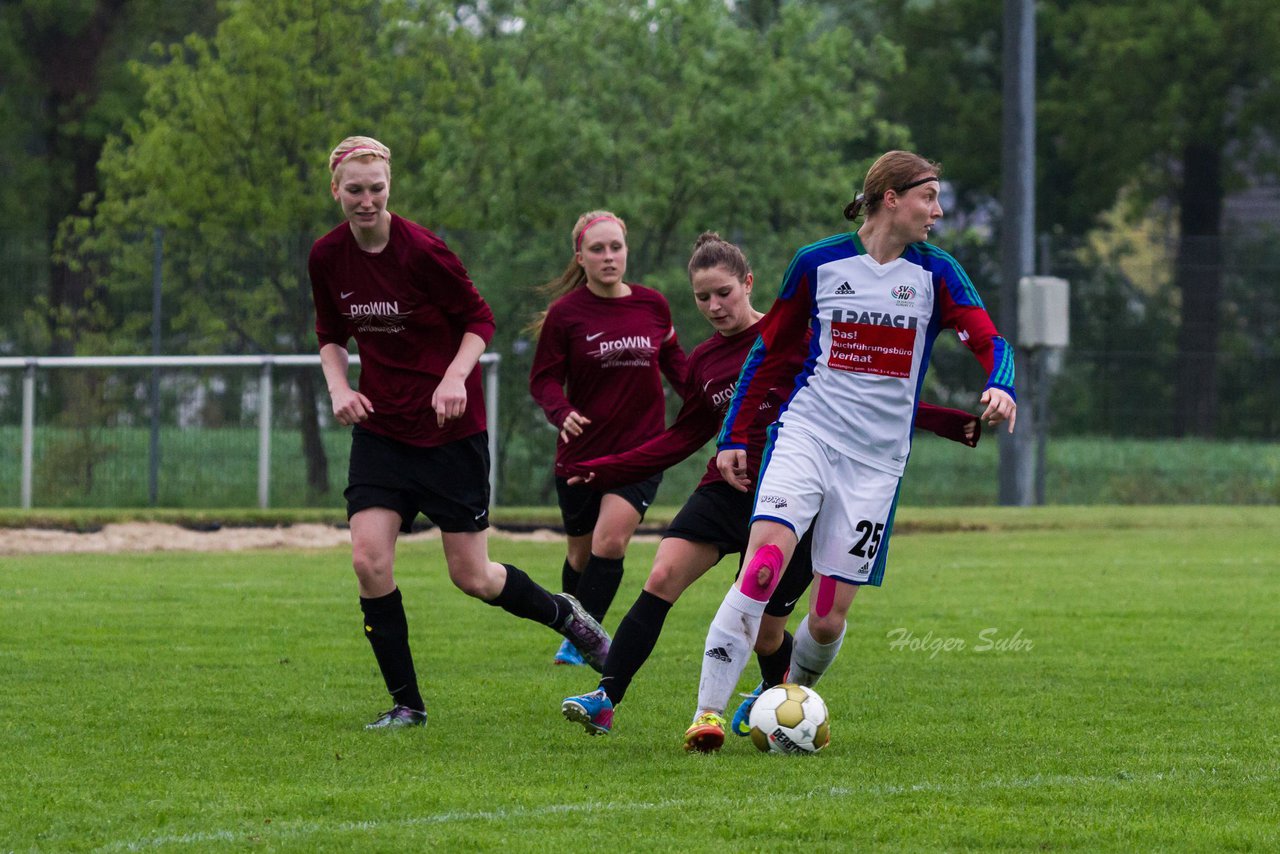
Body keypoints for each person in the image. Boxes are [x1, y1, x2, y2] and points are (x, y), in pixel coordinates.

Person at [558, 232, 981, 736]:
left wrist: (946, 421)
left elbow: (870, 399)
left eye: (724, 293)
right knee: (661, 576)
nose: (714, 306)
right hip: (726, 490)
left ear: (749, 284)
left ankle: (781, 702)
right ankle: (607, 697)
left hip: (796, 492)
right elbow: (682, 438)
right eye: (702, 297)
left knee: (765, 633)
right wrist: (608, 470)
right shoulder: (705, 363)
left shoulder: (799, 339)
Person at [683, 151, 1017, 752]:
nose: (938, 211)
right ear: (891, 197)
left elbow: (989, 336)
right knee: (761, 568)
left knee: (829, 616)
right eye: (929, 196)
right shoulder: (818, 262)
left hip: (877, 464)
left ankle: (784, 700)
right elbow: (771, 353)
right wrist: (734, 435)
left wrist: (1000, 380)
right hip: (808, 435)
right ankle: (707, 713)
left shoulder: (936, 273)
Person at [308, 135, 610, 730]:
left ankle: (563, 613)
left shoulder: (423, 251)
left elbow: (480, 319)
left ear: (388, 187)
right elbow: (330, 335)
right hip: (383, 434)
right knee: (369, 562)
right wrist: (340, 389)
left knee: (472, 576)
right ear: (336, 191)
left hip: (450, 432)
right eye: (354, 190)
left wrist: (453, 378)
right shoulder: (326, 257)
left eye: (376, 189)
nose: (366, 201)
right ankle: (407, 705)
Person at [529, 210, 689, 666]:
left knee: (610, 542)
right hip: (582, 454)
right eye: (597, 249)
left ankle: (584, 641)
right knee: (580, 555)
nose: (608, 256)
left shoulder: (653, 305)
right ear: (580, 256)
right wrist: (562, 413)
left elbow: (677, 365)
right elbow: (542, 381)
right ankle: (573, 622)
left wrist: (711, 400)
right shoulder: (565, 315)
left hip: (641, 450)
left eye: (615, 247)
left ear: (626, 250)